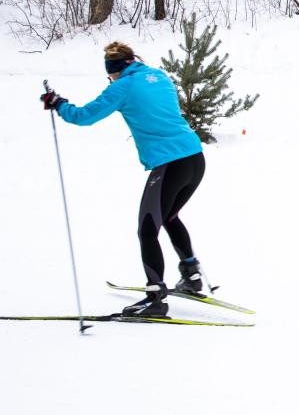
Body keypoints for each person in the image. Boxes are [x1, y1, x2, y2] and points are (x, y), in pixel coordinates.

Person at [40, 41, 206, 317]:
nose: (111, 79)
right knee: (170, 216)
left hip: (170, 164)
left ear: (115, 70)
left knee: (147, 228)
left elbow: (84, 117)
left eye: (110, 75)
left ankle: (155, 297)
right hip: (195, 159)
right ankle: (191, 276)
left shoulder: (122, 87)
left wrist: (59, 104)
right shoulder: (159, 76)